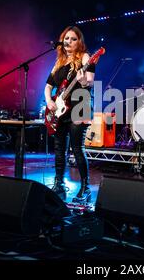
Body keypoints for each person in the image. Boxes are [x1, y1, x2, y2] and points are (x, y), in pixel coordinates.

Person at [44, 26, 96, 202]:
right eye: (66, 38)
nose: (69, 42)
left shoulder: (86, 57)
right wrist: (50, 101)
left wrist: (83, 81)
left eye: (73, 39)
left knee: (77, 148)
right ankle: (58, 183)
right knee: (59, 149)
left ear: (79, 41)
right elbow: (48, 86)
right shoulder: (59, 61)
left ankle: (85, 187)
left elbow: (89, 81)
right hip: (61, 108)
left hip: (80, 106)